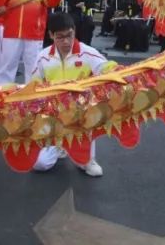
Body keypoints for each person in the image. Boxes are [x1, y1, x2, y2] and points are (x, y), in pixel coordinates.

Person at [30, 12, 117, 177]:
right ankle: (61, 147)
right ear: (51, 35)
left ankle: (87, 159)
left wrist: (116, 70)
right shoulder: (42, 58)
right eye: (60, 37)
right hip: (54, 117)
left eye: (69, 35)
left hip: (82, 118)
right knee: (39, 164)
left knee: (91, 169)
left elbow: (106, 68)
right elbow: (33, 86)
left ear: (74, 31)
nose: (66, 41)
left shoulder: (87, 53)